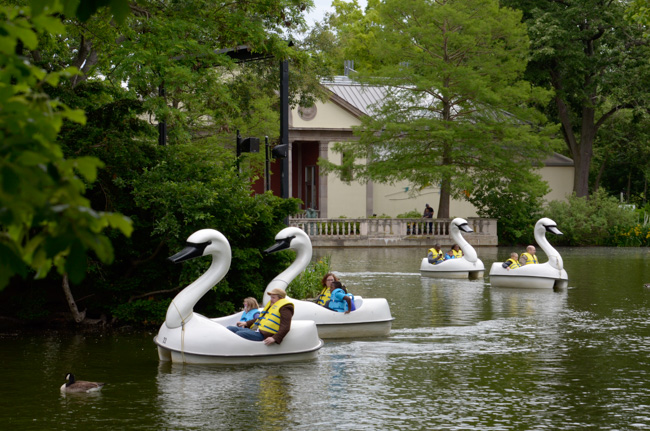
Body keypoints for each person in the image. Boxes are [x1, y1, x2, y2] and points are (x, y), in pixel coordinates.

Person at [228, 288, 294, 345]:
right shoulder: (271, 306)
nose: (271, 299)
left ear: (281, 298)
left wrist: (275, 338)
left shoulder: (286, 308)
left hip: (264, 334)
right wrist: (246, 323)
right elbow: (260, 318)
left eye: (273, 297)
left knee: (239, 334)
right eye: (271, 297)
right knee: (230, 328)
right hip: (255, 330)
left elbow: (286, 326)